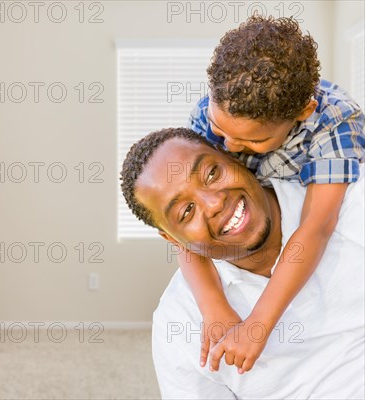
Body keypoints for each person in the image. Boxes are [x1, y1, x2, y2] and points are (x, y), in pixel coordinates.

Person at [120, 127, 365, 398]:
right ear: (173, 239)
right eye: (186, 211)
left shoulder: (351, 200)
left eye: (212, 173)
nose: (213, 204)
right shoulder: (178, 323)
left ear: (234, 157)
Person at [182, 15, 365, 372]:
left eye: (254, 140)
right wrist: (213, 304)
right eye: (221, 130)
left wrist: (258, 324)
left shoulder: (335, 122)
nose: (229, 146)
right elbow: (177, 216)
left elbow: (317, 226)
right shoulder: (207, 116)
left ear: (303, 112)